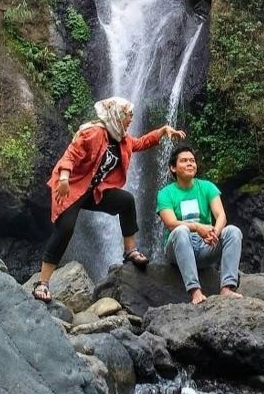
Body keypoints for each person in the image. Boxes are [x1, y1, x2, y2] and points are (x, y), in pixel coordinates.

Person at [32, 97, 185, 303]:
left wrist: (162, 131)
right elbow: (70, 155)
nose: (131, 119)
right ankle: (43, 283)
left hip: (95, 192)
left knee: (126, 200)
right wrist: (64, 178)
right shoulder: (94, 132)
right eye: (128, 115)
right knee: (65, 229)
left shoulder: (122, 139)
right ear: (117, 115)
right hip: (71, 189)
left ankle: (130, 251)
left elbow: (140, 143)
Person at [157, 145, 244, 304]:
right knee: (181, 230)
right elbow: (170, 224)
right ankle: (195, 292)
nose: (190, 163)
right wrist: (198, 227)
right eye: (184, 161)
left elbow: (221, 215)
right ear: (173, 168)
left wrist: (215, 233)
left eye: (192, 160)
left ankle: (227, 288)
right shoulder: (166, 193)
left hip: (206, 246)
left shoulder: (207, 187)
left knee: (233, 231)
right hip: (177, 247)